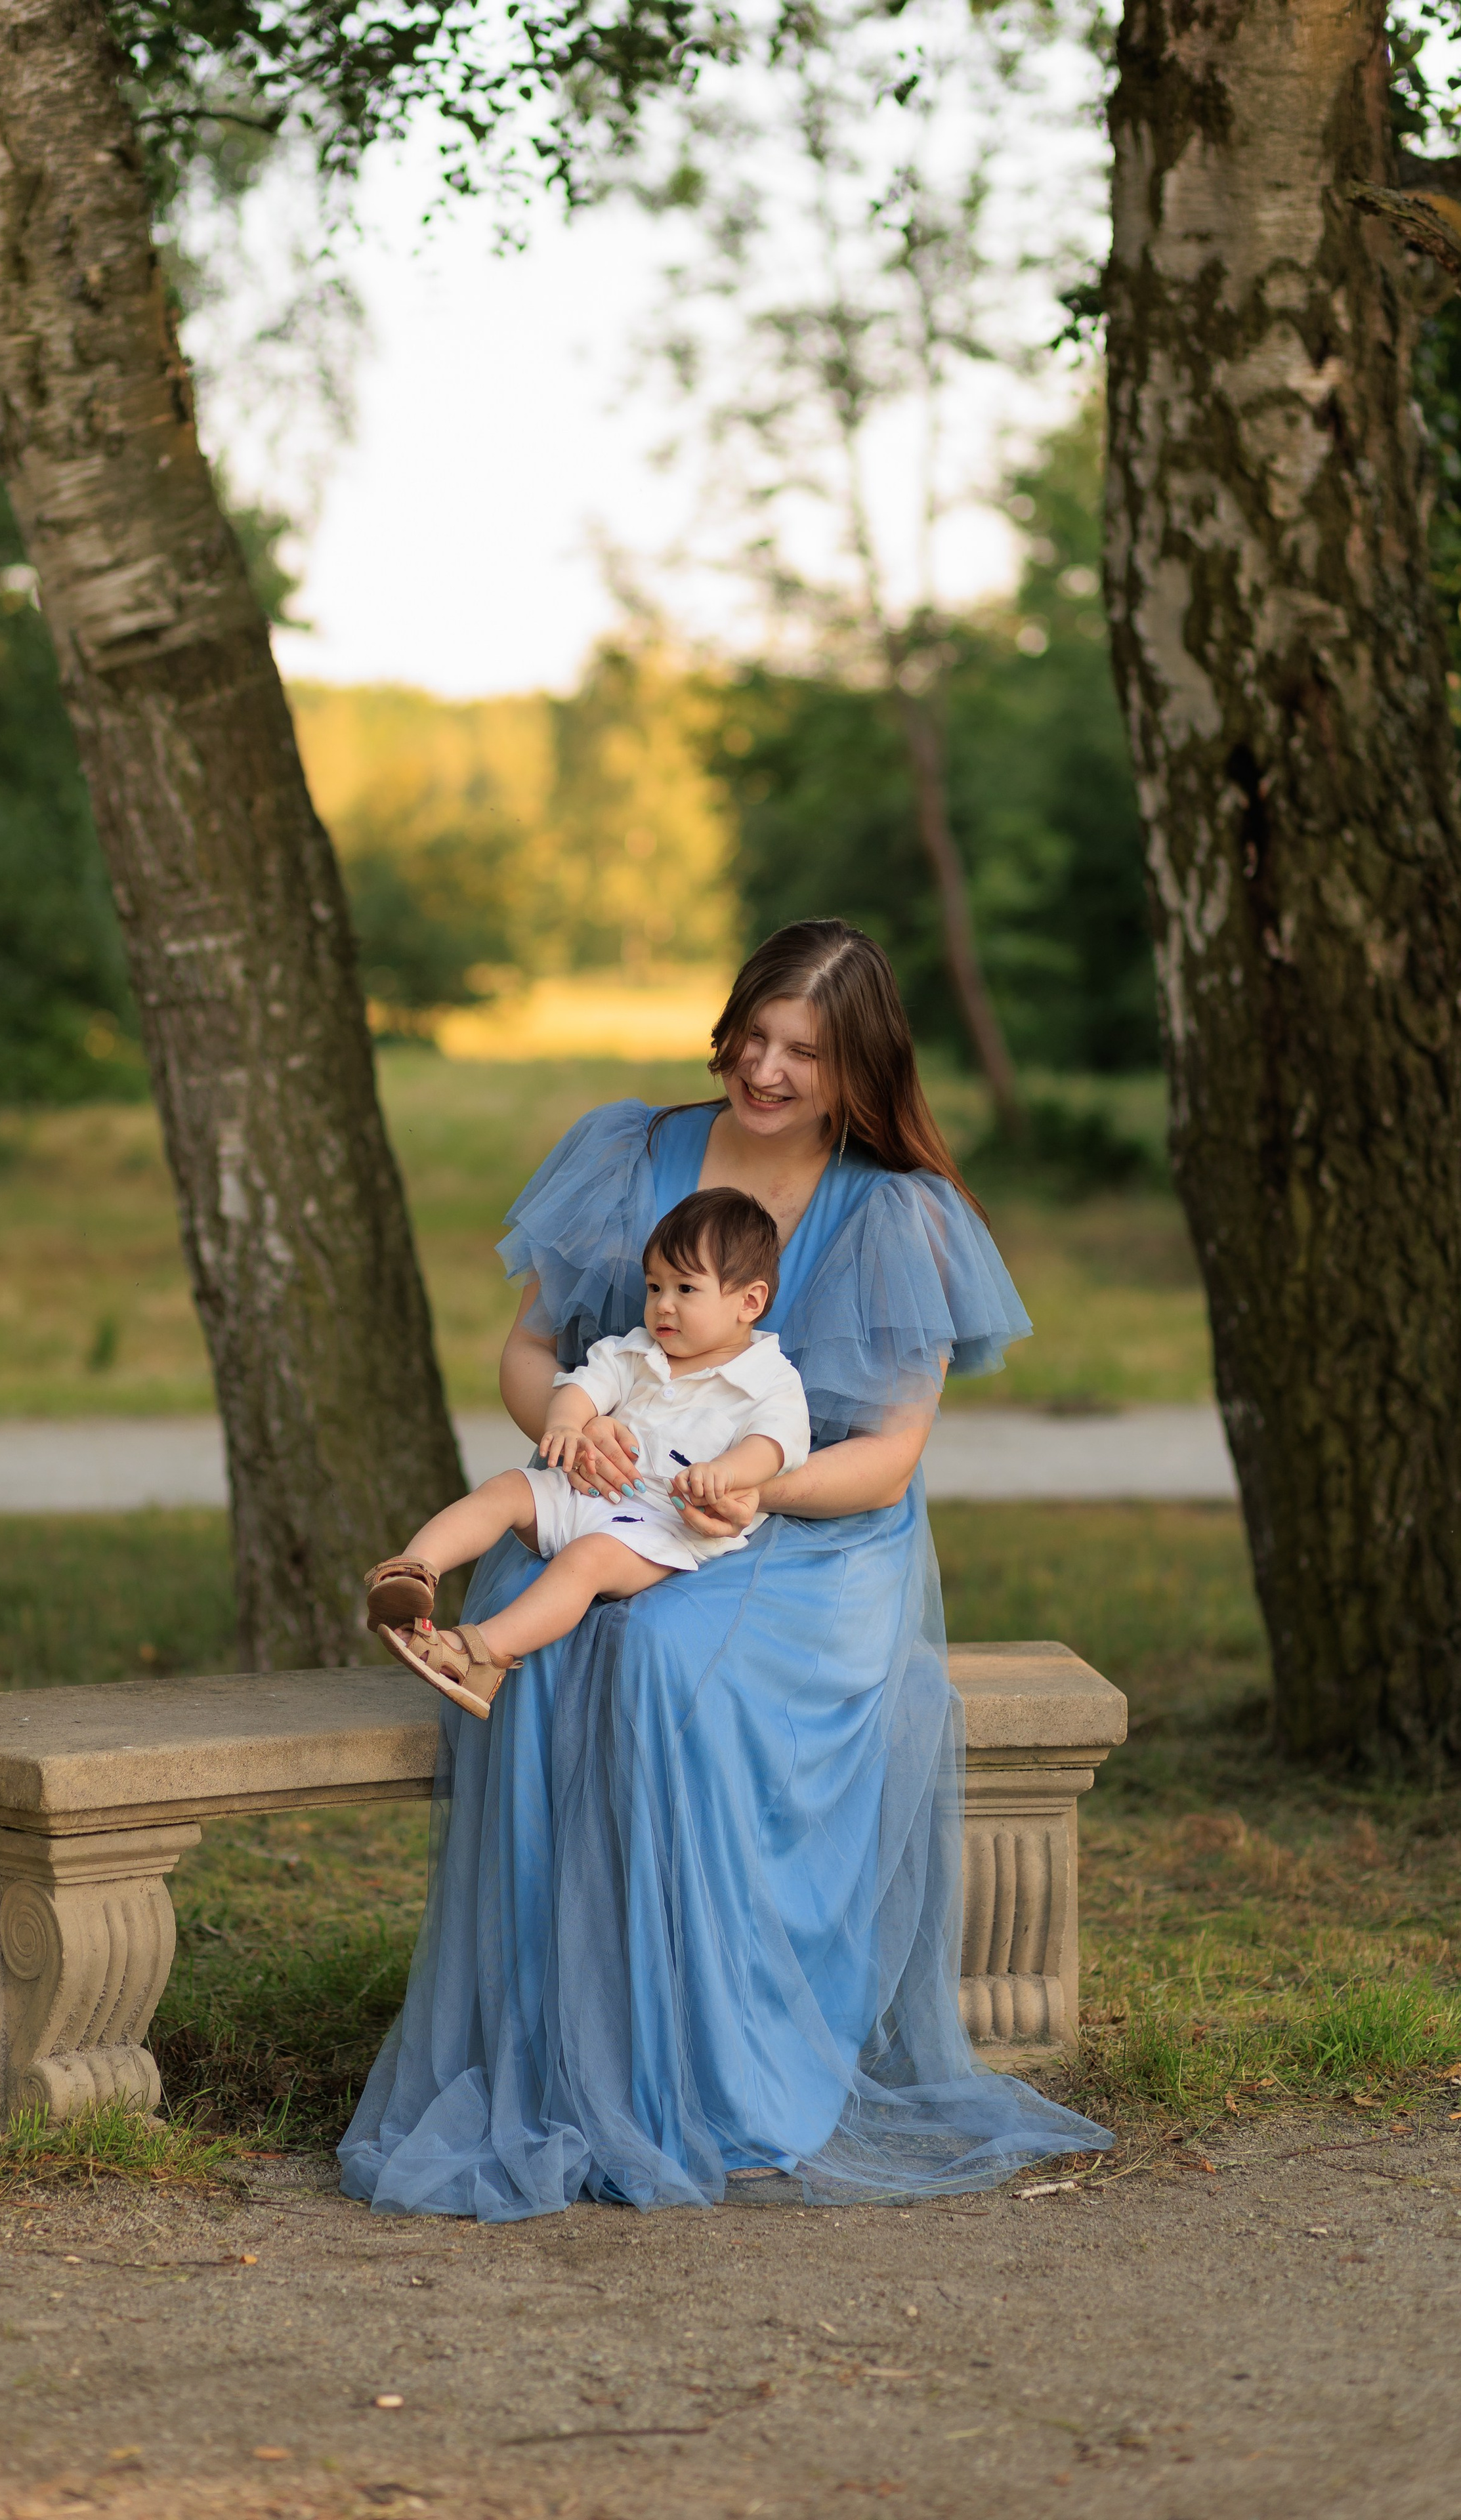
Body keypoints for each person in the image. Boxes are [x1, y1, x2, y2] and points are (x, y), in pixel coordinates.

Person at [339, 917, 1113, 2221]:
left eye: (800, 1052)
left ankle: (706, 2073)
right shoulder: (622, 1152)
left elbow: (887, 1458)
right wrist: (564, 1424)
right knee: (555, 1628)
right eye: (751, 1035)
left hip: (806, 1532)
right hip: (618, 1493)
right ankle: (562, 2059)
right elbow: (530, 1352)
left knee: (650, 1653)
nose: (761, 1070)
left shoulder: (895, 1213)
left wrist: (751, 1482)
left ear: (856, 1065)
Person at [364, 1188, 812, 1718]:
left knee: (588, 1560)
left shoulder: (769, 1380)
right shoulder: (635, 1351)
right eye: (654, 1286)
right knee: (508, 1488)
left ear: (750, 1302)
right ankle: (413, 1572)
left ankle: (476, 1656)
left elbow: (775, 1443)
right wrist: (569, 1425)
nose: (662, 1305)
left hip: (662, 1528)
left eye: (685, 1288)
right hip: (589, 1489)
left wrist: (726, 1473)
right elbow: (583, 1388)